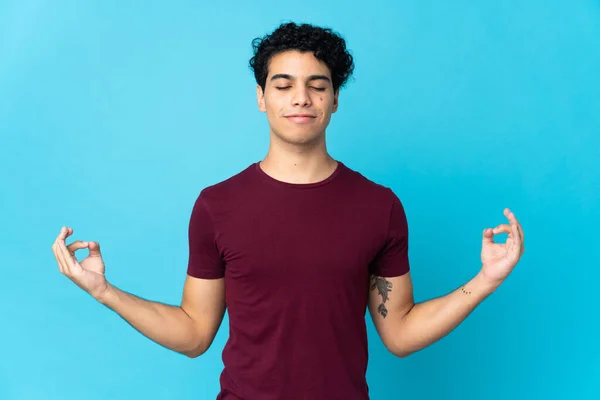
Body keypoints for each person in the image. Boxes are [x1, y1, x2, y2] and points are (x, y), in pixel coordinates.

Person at [51, 22, 525, 400]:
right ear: (262, 98)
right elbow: (195, 333)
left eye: (317, 85)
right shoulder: (217, 206)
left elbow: (399, 333)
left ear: (334, 99)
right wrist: (105, 291)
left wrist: (485, 280)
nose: (301, 97)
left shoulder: (379, 207)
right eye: (284, 85)